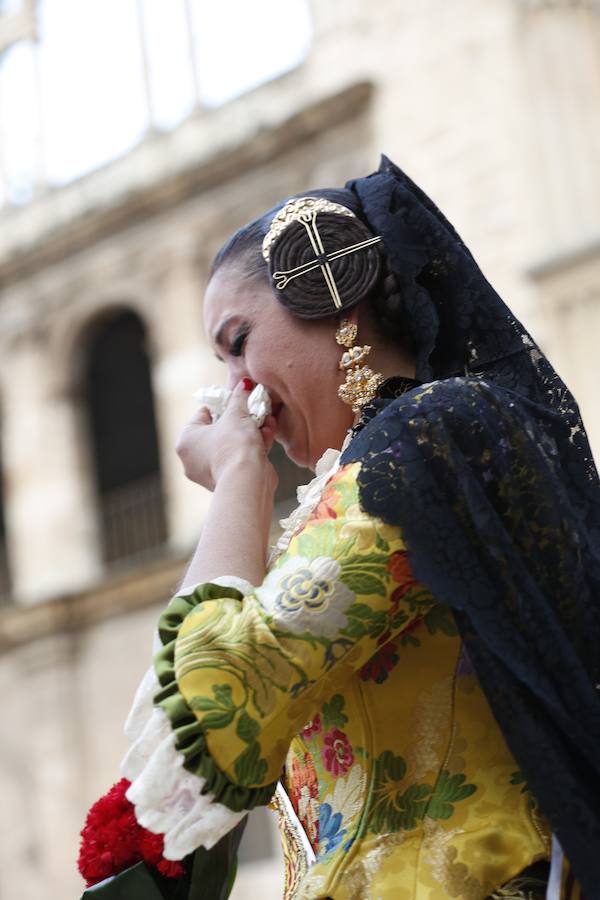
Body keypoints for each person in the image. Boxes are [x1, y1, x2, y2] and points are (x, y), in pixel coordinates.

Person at [79, 157, 600, 900]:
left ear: (332, 297)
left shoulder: (420, 444)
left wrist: (237, 480)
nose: (236, 391)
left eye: (239, 342)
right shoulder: (400, 457)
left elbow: (205, 703)